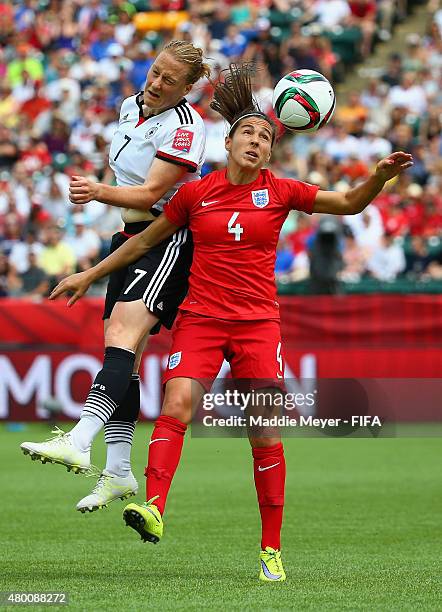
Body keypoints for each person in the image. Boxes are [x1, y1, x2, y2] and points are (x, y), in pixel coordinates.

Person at [35, 65, 413, 582]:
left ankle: (270, 549)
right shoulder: (197, 194)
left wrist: (379, 177)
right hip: (201, 320)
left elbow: (347, 203)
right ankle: (154, 507)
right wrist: (91, 274)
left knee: (263, 432)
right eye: (247, 133)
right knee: (177, 404)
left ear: (270, 152)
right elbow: (144, 242)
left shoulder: (281, 191)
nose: (256, 141)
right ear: (229, 141)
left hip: (258, 325)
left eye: (264, 137)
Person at [20, 40, 210, 513]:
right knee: (121, 349)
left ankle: (82, 439)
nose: (157, 82)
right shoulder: (130, 106)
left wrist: (98, 191)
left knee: (124, 335)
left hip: (169, 239)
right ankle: (120, 470)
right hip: (129, 239)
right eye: (155, 71)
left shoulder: (187, 127)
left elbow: (151, 192)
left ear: (188, 88)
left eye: (170, 79)